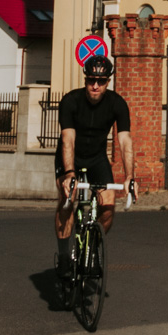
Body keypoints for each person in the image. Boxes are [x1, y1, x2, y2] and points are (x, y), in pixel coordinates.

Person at [57, 52, 135, 297]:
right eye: (91, 80)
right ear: (85, 79)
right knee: (67, 204)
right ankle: (64, 259)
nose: (95, 85)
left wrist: (129, 176)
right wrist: (69, 174)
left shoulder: (117, 103)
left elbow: (124, 141)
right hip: (71, 157)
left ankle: (91, 247)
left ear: (108, 82)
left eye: (100, 81)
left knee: (109, 206)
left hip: (97, 159)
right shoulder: (71, 101)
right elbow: (67, 139)